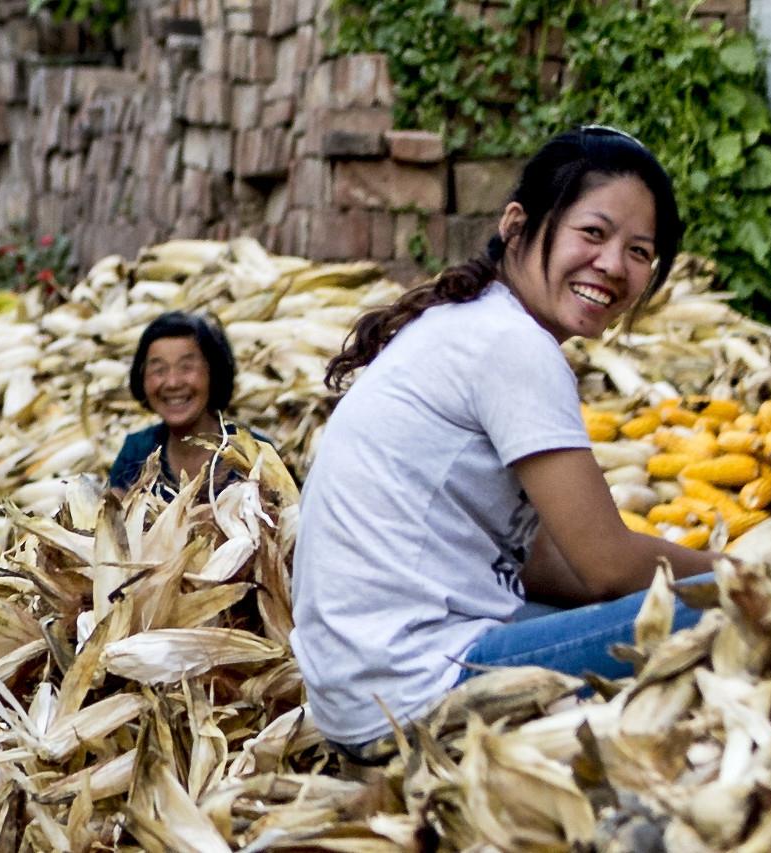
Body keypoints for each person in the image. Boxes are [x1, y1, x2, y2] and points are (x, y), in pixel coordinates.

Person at [291, 126, 719, 763]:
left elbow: (540, 559)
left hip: (359, 692)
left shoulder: (473, 321)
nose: (613, 266)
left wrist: (652, 580)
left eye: (639, 251)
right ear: (517, 224)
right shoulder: (512, 344)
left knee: (657, 602)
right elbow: (604, 563)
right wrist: (742, 575)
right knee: (727, 614)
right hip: (415, 691)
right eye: (593, 234)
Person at [109, 311, 269, 497]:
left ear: (214, 373)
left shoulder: (256, 455)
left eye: (187, 368)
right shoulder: (136, 452)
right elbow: (112, 518)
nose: (173, 382)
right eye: (159, 370)